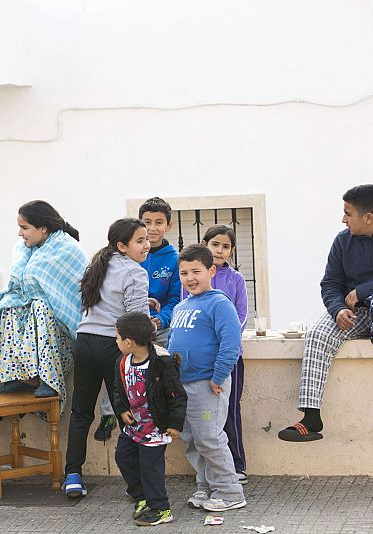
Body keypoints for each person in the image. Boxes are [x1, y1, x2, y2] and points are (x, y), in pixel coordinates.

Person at [278, 184, 373, 452]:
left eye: (348, 213)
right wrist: (338, 309)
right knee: (317, 333)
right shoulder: (342, 240)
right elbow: (330, 283)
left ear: (369, 217)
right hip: (354, 314)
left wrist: (366, 289)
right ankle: (311, 418)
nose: (343, 219)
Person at [63, 218, 150, 498]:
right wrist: (155, 326)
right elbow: (136, 322)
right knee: (128, 413)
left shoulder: (97, 266)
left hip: (84, 342)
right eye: (140, 241)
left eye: (147, 239)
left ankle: (73, 475)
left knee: (81, 412)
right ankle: (136, 483)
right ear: (122, 246)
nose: (147, 245)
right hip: (113, 347)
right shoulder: (135, 273)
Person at [94, 197, 181, 442]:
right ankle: (110, 412)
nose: (152, 228)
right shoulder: (125, 255)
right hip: (128, 323)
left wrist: (159, 320)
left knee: (157, 363)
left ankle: (158, 413)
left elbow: (176, 299)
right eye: (147, 222)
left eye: (159, 222)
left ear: (169, 226)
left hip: (157, 327)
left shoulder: (173, 259)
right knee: (119, 357)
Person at [169, 244, 246, 512]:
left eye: (196, 271)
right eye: (184, 273)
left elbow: (231, 342)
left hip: (208, 384)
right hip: (184, 386)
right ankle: (206, 488)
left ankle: (230, 491)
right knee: (192, 440)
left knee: (210, 438)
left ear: (211, 270)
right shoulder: (181, 306)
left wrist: (219, 376)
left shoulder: (219, 303)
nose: (190, 278)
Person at [0, 200, 87, 402]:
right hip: (35, 320)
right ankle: (17, 374)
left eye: (24, 228)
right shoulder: (28, 248)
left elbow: (67, 294)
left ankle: (49, 378)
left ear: (43, 228)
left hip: (60, 328)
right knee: (10, 306)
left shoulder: (67, 248)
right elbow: (21, 283)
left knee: (40, 306)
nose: (20, 233)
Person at [184, 225, 249, 483]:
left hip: (228, 358)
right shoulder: (193, 278)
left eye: (225, 246)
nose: (220, 250)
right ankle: (208, 471)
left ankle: (236, 465)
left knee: (230, 410)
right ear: (205, 245)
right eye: (215, 245)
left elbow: (241, 317)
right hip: (200, 364)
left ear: (231, 251)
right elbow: (186, 310)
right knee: (201, 419)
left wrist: (221, 341)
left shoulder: (236, 280)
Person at [112, 312, 186, 526]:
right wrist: (121, 409)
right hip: (133, 426)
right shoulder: (122, 362)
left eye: (117, 338)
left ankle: (161, 508)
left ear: (129, 342)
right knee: (123, 457)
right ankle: (141, 496)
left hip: (155, 428)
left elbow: (177, 395)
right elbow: (118, 390)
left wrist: (175, 424)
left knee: (150, 468)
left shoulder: (162, 363)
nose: (115, 341)